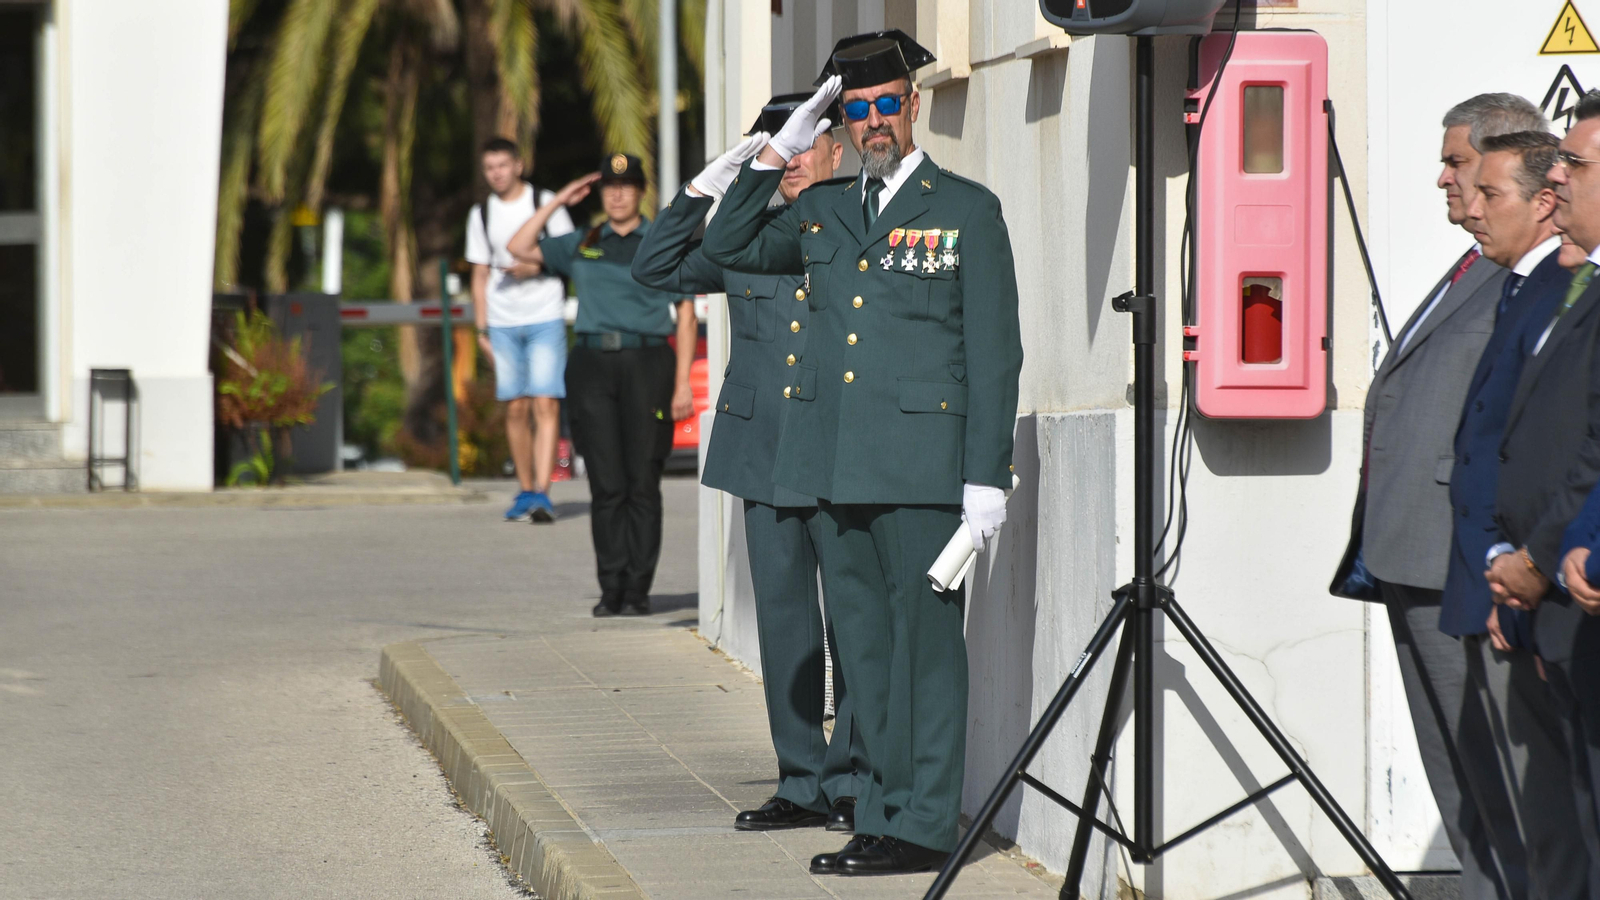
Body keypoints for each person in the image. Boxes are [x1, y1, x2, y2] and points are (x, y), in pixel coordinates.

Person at [702, 30, 1023, 876]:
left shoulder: (966, 209)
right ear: (839, 122)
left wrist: (986, 476)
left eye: (887, 105)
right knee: (868, 656)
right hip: (833, 469)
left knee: (924, 648)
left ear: (914, 106)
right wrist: (781, 145)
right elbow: (728, 243)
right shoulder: (824, 208)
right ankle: (880, 813)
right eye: (857, 111)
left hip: (921, 469)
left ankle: (923, 823)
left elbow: (994, 353)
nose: (875, 122)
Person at [631, 95, 869, 836]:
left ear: (837, 149)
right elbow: (653, 266)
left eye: (807, 143)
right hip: (765, 451)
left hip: (846, 451)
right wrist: (711, 184)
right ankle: (800, 779)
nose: (796, 159)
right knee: (786, 623)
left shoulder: (869, 221)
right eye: (780, 146)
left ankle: (854, 780)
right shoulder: (744, 235)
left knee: (857, 624)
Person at [1332, 94, 1545, 900]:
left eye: (1459, 164)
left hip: (1460, 554)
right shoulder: (1473, 267)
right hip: (1409, 550)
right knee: (1458, 777)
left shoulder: (1534, 277)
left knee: (1501, 778)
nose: (1445, 181)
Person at [1445, 128, 1591, 900]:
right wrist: (1502, 561)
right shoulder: (1514, 285)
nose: (1465, 201)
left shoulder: (1564, 287)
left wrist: (1533, 561)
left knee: (1562, 805)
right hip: (1513, 574)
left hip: (1561, 574)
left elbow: (1578, 445)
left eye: (1485, 189)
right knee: (1532, 800)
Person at [1488, 88, 1600, 879]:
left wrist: (1553, 551)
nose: (1555, 178)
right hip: (1557, 596)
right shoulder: (1579, 287)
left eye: (1575, 162)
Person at [506, 154, 696, 617]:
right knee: (607, 484)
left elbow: (686, 316)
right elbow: (518, 246)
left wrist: (682, 385)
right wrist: (557, 203)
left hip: (648, 361)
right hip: (592, 364)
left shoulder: (662, 240)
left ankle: (638, 590)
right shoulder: (585, 240)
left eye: (627, 186)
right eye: (608, 186)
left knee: (642, 482)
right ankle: (611, 588)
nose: (616, 194)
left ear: (640, 193)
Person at [466, 137, 575, 522]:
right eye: (489, 167)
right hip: (502, 322)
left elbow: (570, 256)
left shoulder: (545, 203)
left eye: (502, 165)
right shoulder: (481, 213)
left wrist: (537, 267)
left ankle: (544, 492)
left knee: (545, 402)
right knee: (515, 406)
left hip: (545, 315)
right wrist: (481, 329)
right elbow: (479, 273)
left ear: (518, 165)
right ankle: (526, 489)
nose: (496, 173)